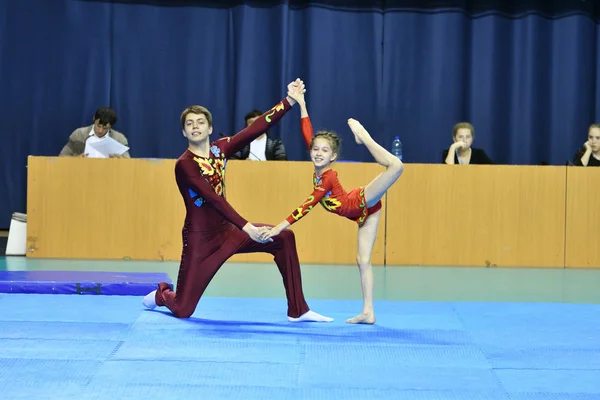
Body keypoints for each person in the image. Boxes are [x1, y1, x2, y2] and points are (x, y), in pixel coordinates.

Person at [142, 79, 332, 323]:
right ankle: (162, 294)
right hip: (201, 241)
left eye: (200, 122)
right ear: (184, 132)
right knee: (183, 309)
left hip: (229, 232)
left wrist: (289, 102)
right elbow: (212, 199)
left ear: (210, 128)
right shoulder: (184, 165)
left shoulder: (220, 149)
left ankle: (298, 309)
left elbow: (253, 131)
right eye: (189, 124)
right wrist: (248, 227)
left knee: (284, 238)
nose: (195, 127)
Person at [261, 90, 404, 324]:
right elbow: (307, 131)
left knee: (396, 166)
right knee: (363, 260)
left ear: (333, 156)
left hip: (360, 201)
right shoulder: (318, 161)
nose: (318, 153)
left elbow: (307, 205)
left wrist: (278, 227)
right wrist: (302, 104)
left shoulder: (327, 177)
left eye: (324, 151)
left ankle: (364, 138)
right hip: (365, 215)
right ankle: (368, 312)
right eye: (315, 149)